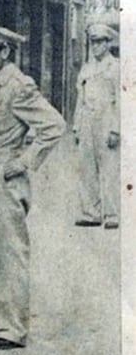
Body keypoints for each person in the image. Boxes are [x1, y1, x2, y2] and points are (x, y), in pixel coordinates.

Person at [0, 23, 65, 350]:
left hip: (6, 174)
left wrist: (23, 161)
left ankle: (13, 327)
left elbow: (54, 126)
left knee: (10, 252)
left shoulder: (17, 85)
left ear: (4, 52)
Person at [72, 23, 119, 229]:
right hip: (87, 120)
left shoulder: (116, 67)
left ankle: (111, 213)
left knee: (109, 167)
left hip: (107, 119)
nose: (96, 46)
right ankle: (90, 212)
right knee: (86, 167)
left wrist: (116, 129)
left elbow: (121, 99)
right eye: (93, 42)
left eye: (101, 41)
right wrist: (76, 127)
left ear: (109, 43)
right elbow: (80, 99)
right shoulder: (87, 68)